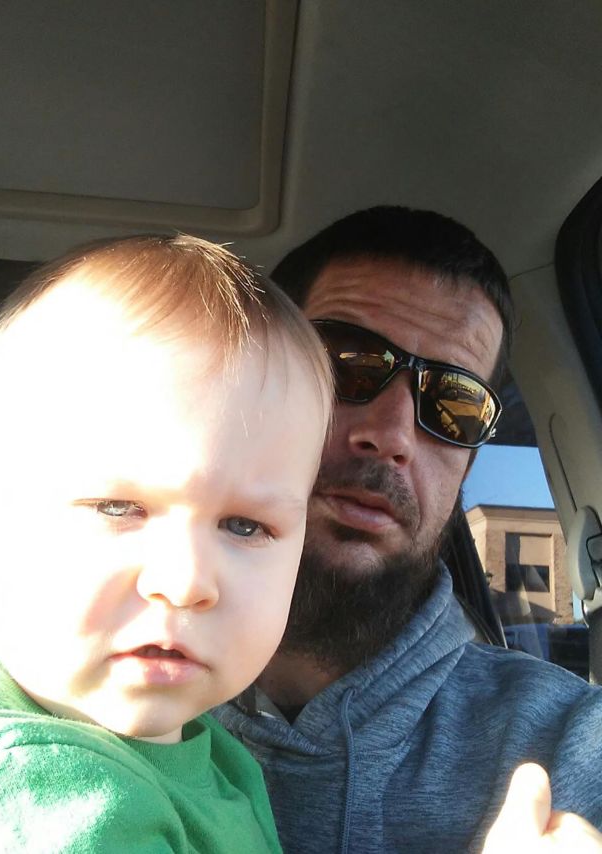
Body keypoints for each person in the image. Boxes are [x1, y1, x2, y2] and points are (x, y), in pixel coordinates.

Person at [214, 207, 602, 853]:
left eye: (455, 404)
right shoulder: (77, 693)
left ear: (468, 462)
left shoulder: (571, 747)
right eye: (343, 363)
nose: (391, 435)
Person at [0, 234, 332, 852]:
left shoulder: (194, 748)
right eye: (118, 507)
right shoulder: (58, 810)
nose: (186, 582)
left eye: (245, 526)